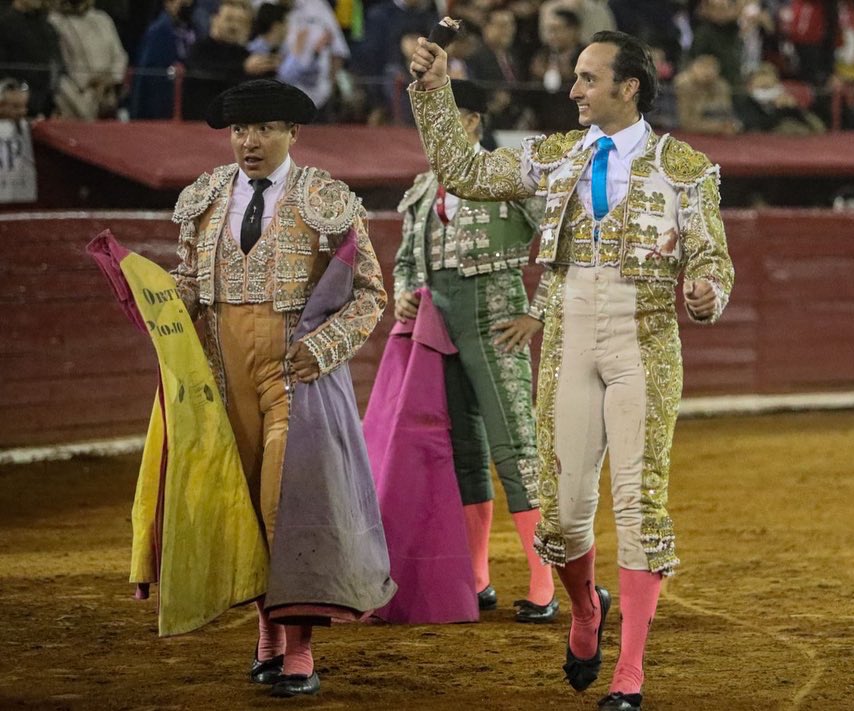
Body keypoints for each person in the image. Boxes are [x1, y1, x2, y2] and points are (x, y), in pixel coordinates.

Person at [409, 28, 734, 711]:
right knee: (563, 514)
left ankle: (631, 670)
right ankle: (587, 608)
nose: (573, 89)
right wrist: (435, 92)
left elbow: (712, 260)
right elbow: (465, 172)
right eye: (575, 76)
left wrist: (706, 292)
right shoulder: (553, 158)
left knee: (641, 505)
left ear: (629, 87)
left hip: (644, 348)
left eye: (587, 78)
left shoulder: (687, 168)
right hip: (567, 345)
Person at [171, 78, 396, 698]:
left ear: (292, 133)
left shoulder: (325, 199)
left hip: (291, 375)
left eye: (265, 129)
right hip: (222, 376)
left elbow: (371, 294)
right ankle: (267, 633)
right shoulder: (205, 198)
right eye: (241, 130)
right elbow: (189, 281)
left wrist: (321, 349)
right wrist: (163, 297)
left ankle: (299, 647)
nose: (250, 142)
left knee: (289, 506)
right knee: (241, 506)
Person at [393, 79, 557, 623]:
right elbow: (406, 262)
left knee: (514, 445)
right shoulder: (420, 191)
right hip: (439, 326)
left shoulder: (509, 174)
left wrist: (538, 310)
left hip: (495, 315)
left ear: (470, 124)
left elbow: (566, 234)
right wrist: (404, 297)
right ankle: (477, 576)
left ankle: (543, 581)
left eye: (445, 119)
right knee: (463, 451)